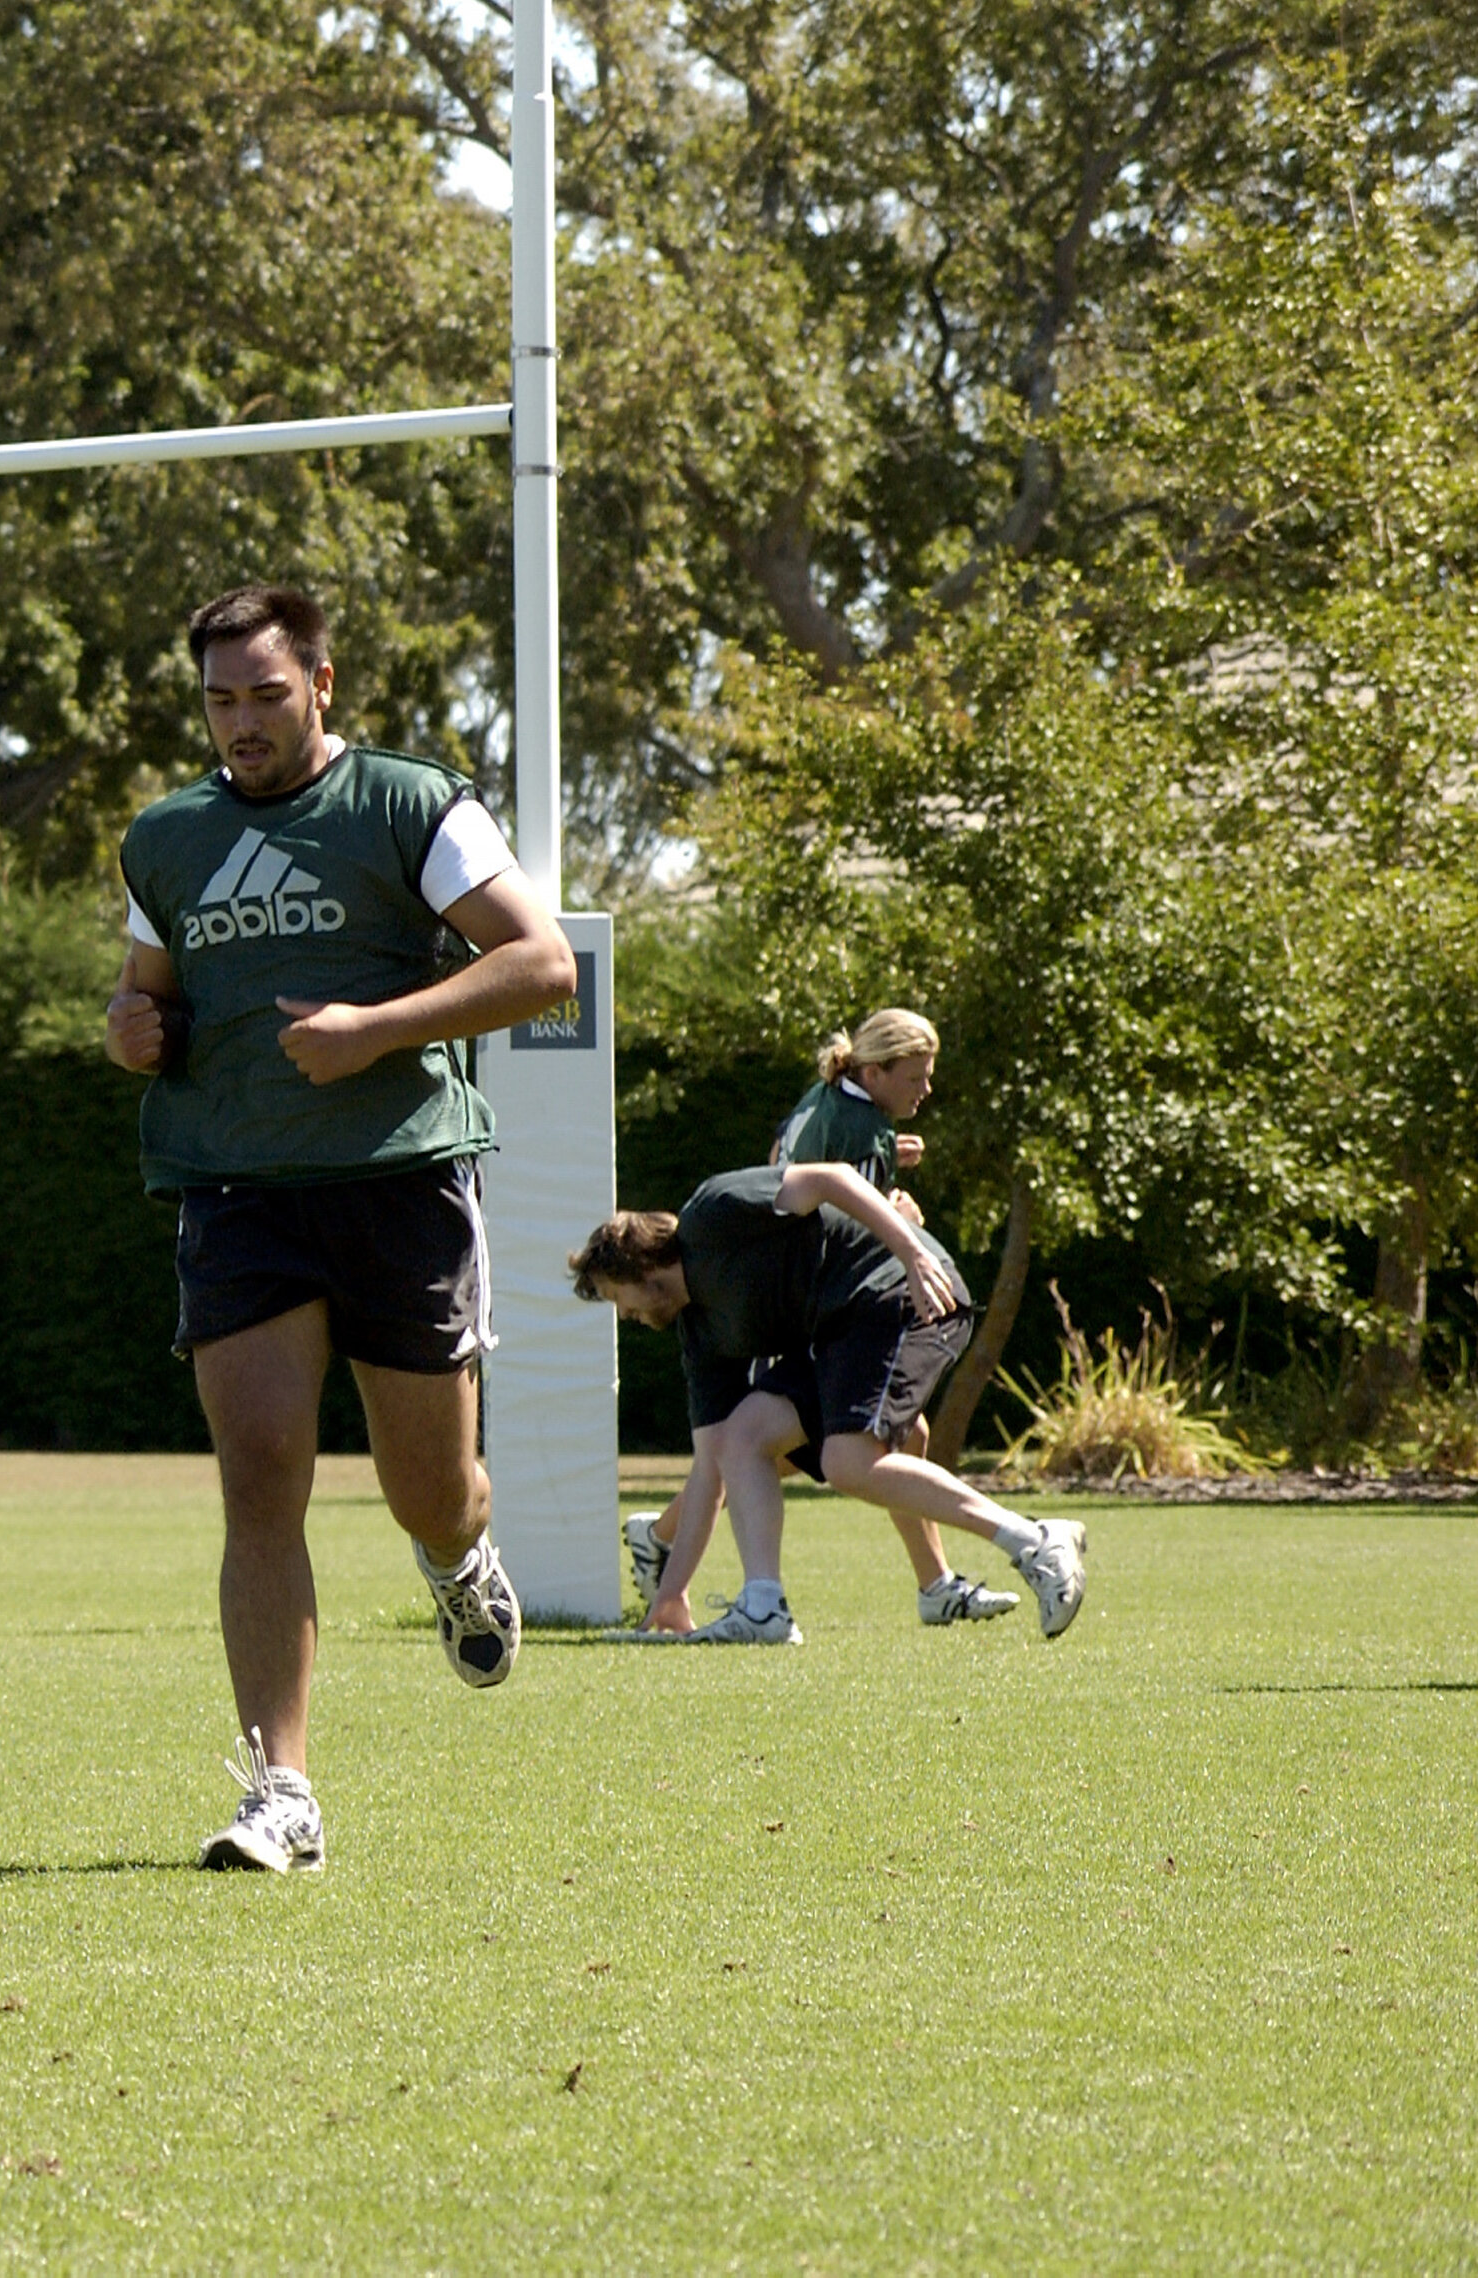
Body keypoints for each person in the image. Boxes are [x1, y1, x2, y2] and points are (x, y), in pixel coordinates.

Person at [104, 583, 578, 1874]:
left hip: (396, 1179)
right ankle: (281, 1788)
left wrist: (375, 1027)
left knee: (423, 1487)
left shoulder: (409, 803)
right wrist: (127, 1028)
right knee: (259, 1471)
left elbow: (540, 966)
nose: (240, 722)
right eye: (217, 699)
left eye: (264, 694)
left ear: (320, 683)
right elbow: (145, 994)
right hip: (234, 1182)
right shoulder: (166, 835)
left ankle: (456, 1554)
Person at [571, 1167, 1087, 1643]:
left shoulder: (712, 1214)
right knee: (740, 1438)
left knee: (848, 1462)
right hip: (840, 1330)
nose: (625, 1317)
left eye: (618, 1300)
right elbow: (709, 1471)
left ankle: (1036, 1540)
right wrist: (670, 1597)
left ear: (638, 1267)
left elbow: (829, 1177)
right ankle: (763, 1608)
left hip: (899, 1289)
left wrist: (911, 1251)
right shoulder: (702, 1335)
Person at [623, 1011, 1018, 1630]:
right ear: (874, 1069)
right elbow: (835, 1202)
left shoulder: (837, 1101)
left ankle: (934, 1584)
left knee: (891, 1435)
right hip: (800, 1304)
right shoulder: (857, 1124)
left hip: (811, 1297)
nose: (926, 1090)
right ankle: (673, 1552)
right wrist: (904, 1227)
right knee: (740, 1446)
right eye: (915, 1076)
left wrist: (888, 1166)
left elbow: (802, 1163)